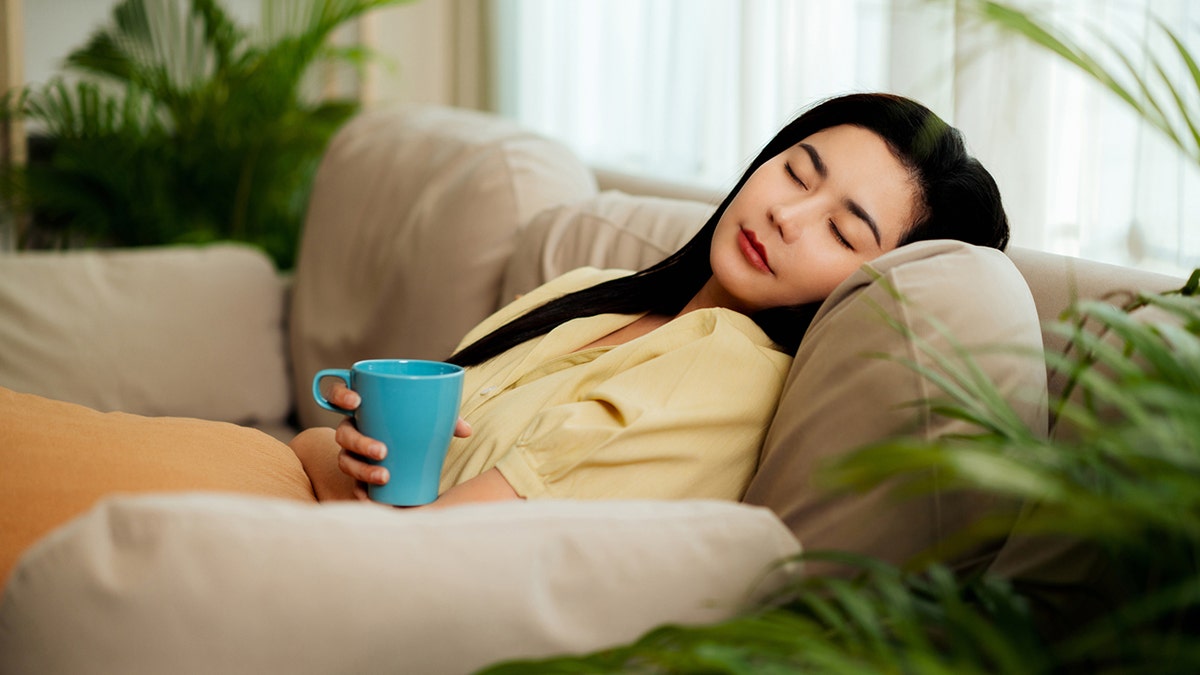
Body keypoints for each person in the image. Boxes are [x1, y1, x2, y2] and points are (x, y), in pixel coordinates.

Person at [289, 92, 1010, 507]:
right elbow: (384, 481)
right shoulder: (584, 292)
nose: (787, 216)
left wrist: (317, 452)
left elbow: (426, 549)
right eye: (796, 171)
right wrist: (340, 452)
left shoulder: (733, 373)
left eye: (843, 230)